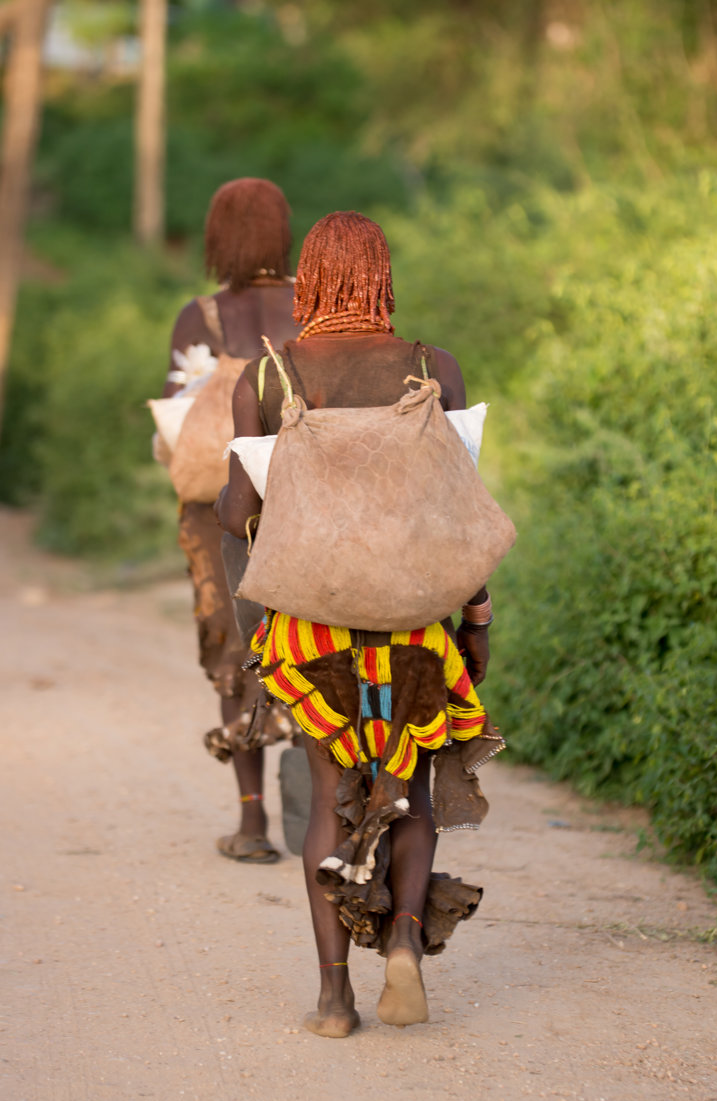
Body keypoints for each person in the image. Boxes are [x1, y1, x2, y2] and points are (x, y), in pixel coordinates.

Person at [217, 211, 504, 1036]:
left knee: (325, 803)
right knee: (408, 790)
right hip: (415, 624)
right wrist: (476, 619)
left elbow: (239, 513)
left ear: (309, 282)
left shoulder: (267, 378)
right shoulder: (432, 368)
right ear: (380, 278)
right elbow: (460, 515)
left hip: (313, 631)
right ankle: (406, 944)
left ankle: (336, 998)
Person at [160, 178, 301, 863]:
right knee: (308, 641)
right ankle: (322, 809)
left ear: (218, 237)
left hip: (219, 507)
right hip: (305, 501)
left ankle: (252, 824)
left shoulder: (202, 318)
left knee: (234, 651)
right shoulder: (317, 307)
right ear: (283, 233)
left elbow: (175, 412)